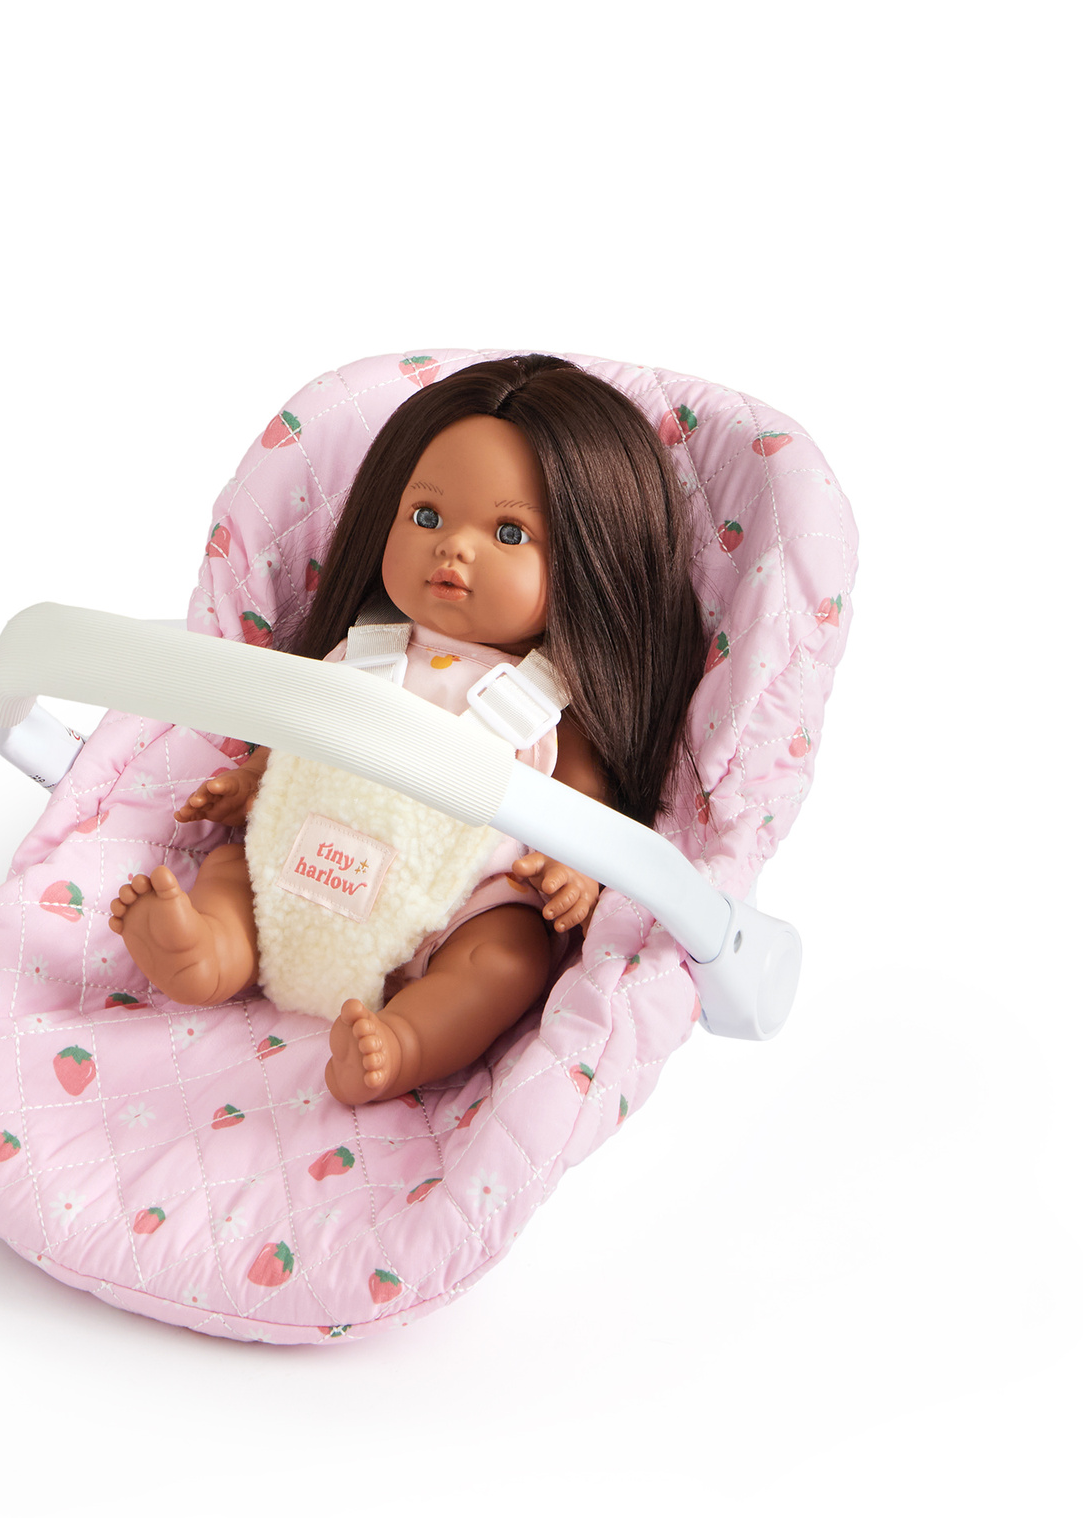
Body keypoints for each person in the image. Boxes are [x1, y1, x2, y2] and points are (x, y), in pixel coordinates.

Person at [109, 355, 707, 1104]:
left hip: (451, 912)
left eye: (510, 533)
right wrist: (254, 783)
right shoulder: (363, 651)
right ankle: (205, 948)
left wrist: (576, 871)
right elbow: (304, 743)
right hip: (304, 865)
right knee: (234, 868)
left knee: (508, 957)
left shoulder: (546, 706)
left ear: (589, 563)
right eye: (427, 518)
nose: (454, 548)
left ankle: (403, 1042)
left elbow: (586, 814)